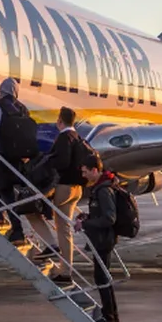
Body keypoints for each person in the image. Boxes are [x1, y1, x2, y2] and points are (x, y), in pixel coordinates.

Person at [0, 78, 44, 246]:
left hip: (2, 155)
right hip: (19, 157)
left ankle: (17, 230)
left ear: (1, 90)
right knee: (4, 187)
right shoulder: (23, 108)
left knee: (4, 190)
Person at [77, 152, 121, 322]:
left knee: (102, 278)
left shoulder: (103, 190)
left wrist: (86, 223)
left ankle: (110, 316)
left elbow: (109, 218)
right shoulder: (101, 187)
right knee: (102, 277)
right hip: (101, 239)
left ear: (95, 170)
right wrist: (87, 217)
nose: (83, 175)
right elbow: (101, 214)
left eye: (85, 171)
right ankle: (111, 314)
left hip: (103, 240)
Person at [47, 108, 91, 270]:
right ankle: (66, 270)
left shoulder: (63, 138)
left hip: (64, 187)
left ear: (60, 121)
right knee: (65, 229)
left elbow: (62, 163)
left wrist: (48, 162)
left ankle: (49, 246)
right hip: (77, 189)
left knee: (32, 208)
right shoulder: (78, 137)